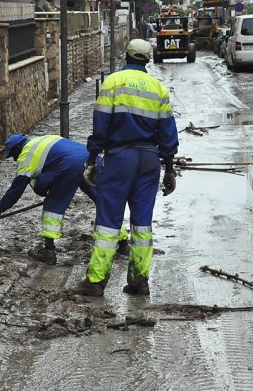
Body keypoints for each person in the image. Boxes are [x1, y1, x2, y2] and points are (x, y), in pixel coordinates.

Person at [72, 39, 179, 297]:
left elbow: (101, 126)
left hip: (120, 159)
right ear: (147, 60)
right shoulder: (158, 89)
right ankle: (140, 281)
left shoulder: (112, 83)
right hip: (149, 161)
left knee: (109, 221)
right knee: (142, 224)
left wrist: (92, 158)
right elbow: (168, 134)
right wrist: (170, 168)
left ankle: (96, 282)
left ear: (126, 56)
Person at [0, 134, 128, 264]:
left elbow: (16, 189)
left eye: (13, 155)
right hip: (91, 160)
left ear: (18, 148)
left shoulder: (26, 155)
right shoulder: (44, 138)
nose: (14, 159)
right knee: (104, 201)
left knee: (53, 207)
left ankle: (49, 251)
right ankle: (123, 244)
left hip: (68, 167)